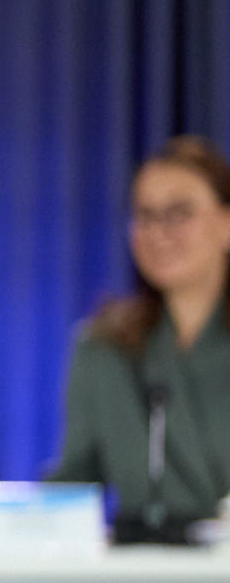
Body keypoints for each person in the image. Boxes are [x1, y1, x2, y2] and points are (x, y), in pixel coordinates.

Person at [49, 135, 230, 542]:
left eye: (179, 213)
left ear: (226, 222)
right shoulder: (103, 348)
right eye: (145, 216)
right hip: (143, 574)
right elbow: (72, 486)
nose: (158, 232)